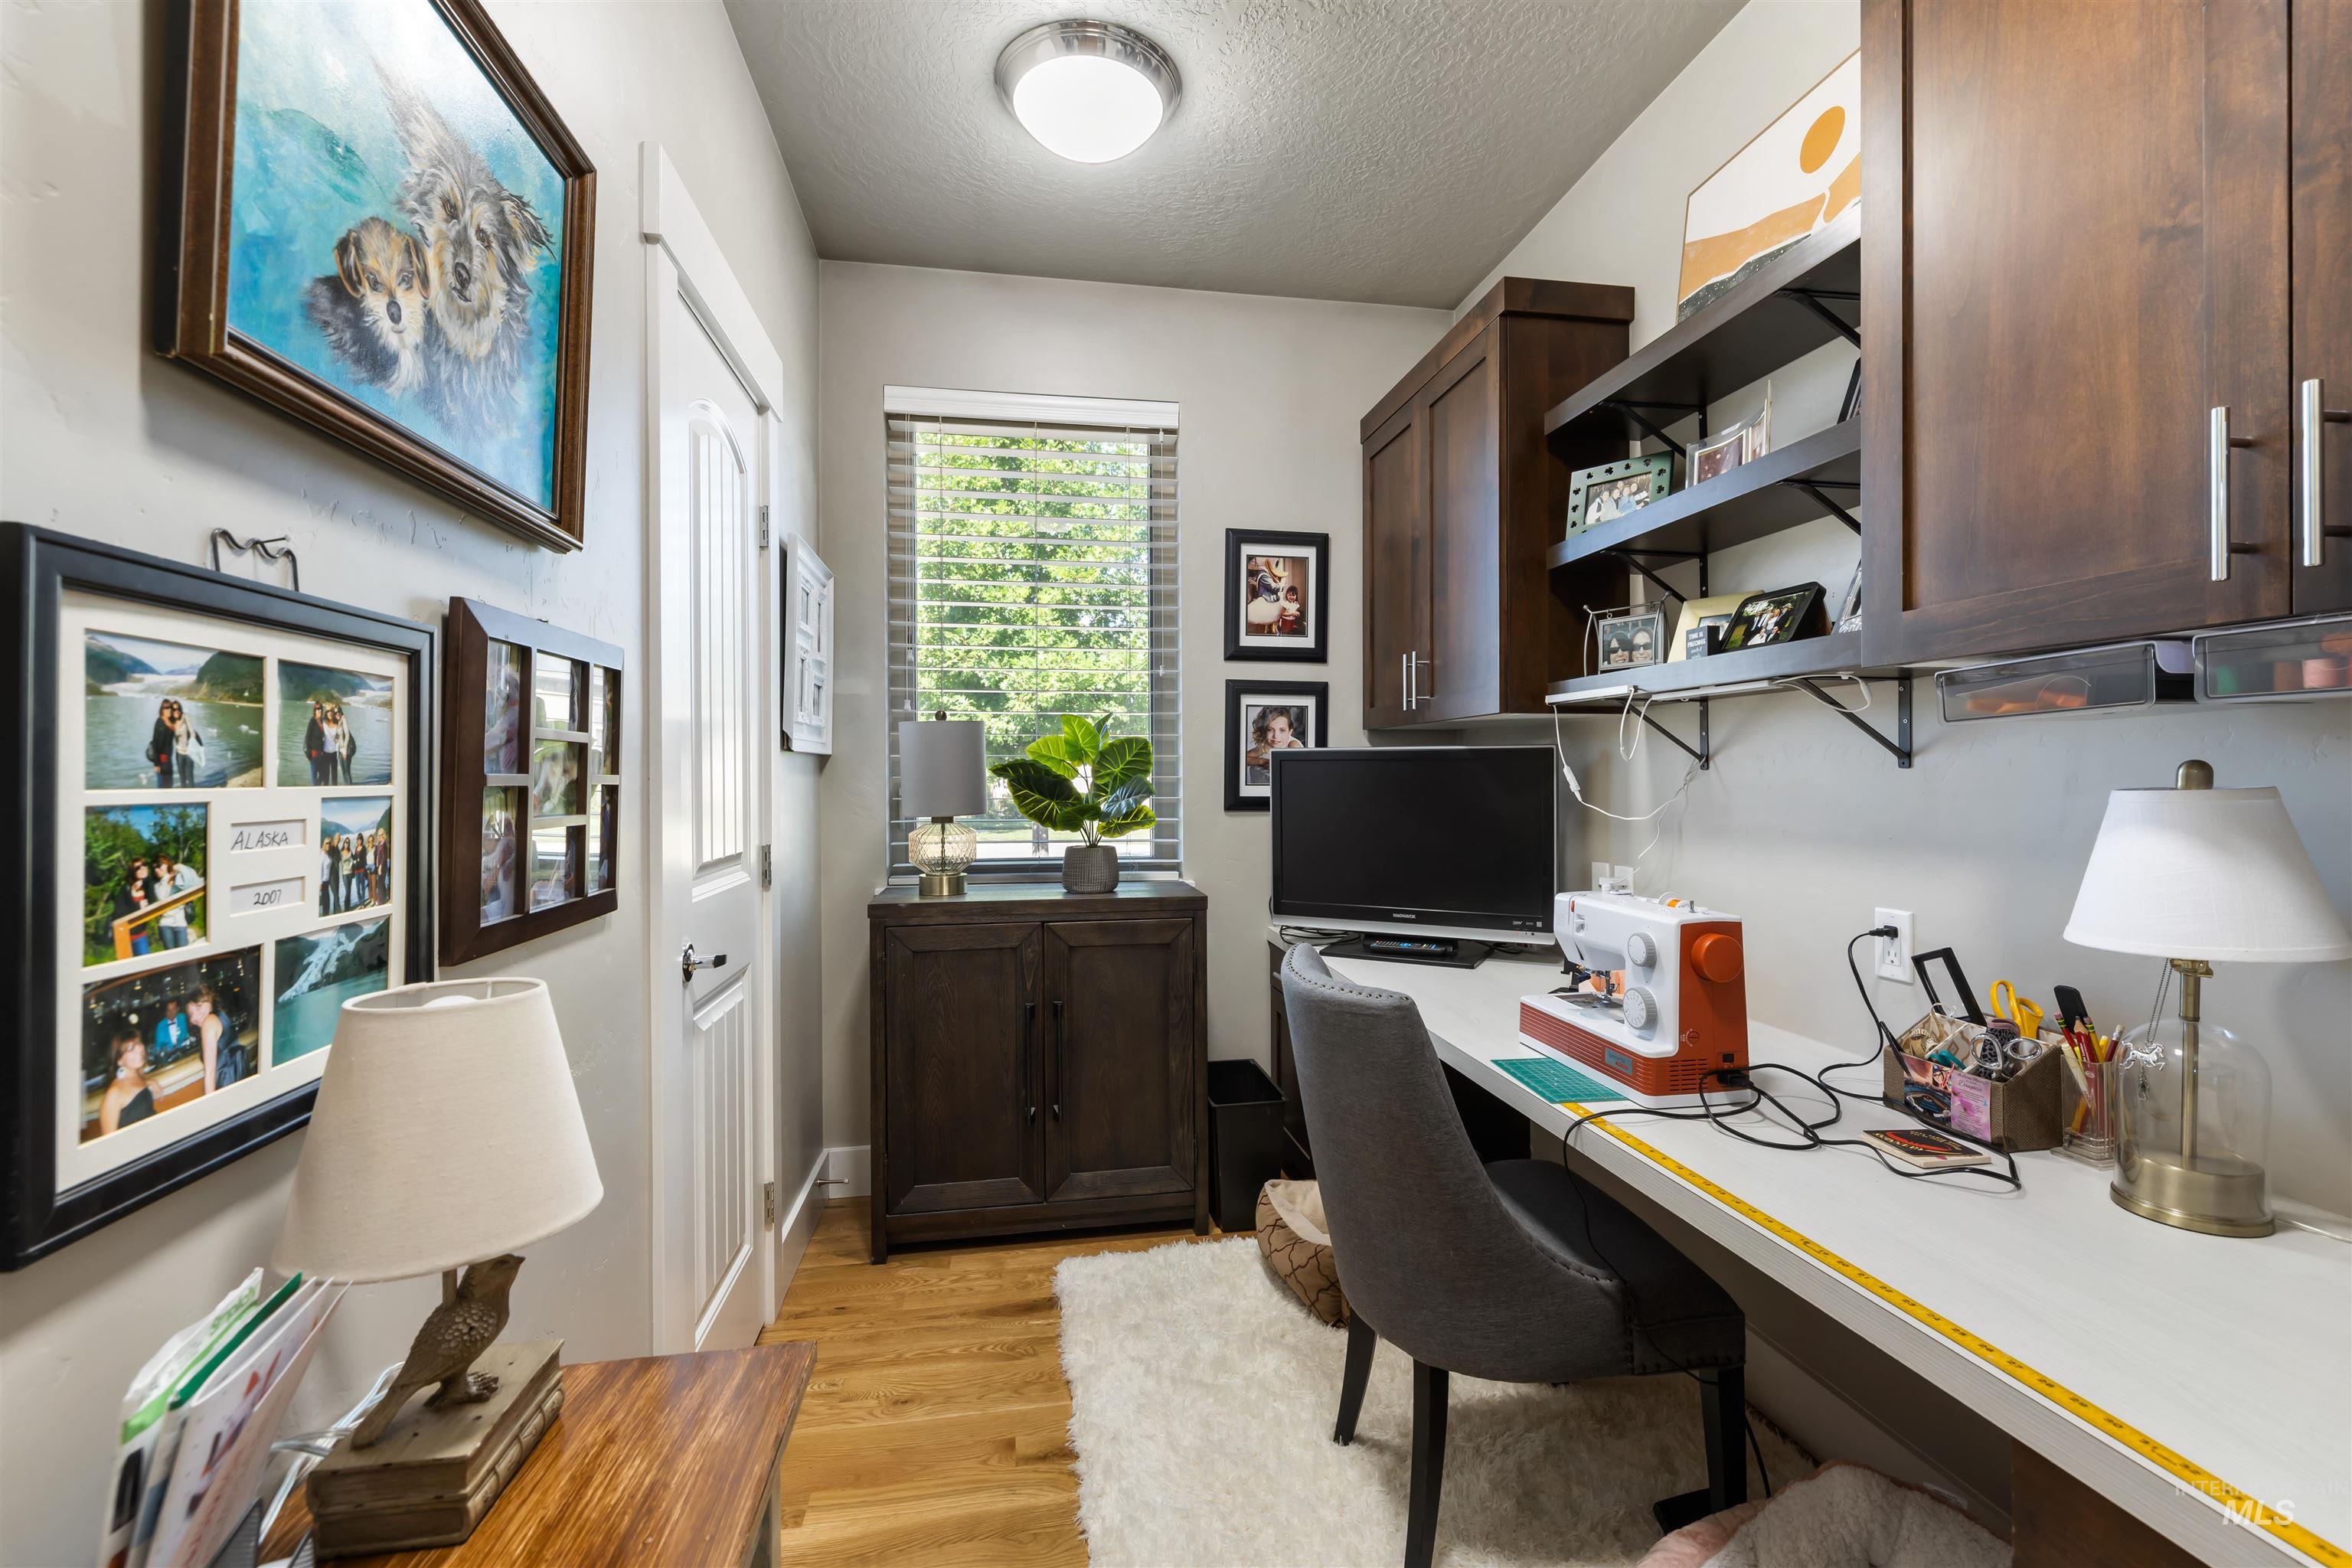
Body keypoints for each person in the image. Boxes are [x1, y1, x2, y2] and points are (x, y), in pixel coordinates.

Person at [95, 1027, 155, 1137]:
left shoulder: (139, 1077)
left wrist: (150, 1083)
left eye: (138, 1043)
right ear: (119, 1060)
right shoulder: (114, 1093)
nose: (138, 1050)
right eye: (130, 1049)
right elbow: (108, 1142)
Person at [152, 852, 201, 949]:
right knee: (170, 956)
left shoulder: (179, 878)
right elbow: (163, 899)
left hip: (180, 922)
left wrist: (181, 867)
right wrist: (167, 882)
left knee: (183, 955)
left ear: (167, 864)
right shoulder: (157, 886)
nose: (156, 870)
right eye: (154, 868)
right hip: (165, 924)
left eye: (158, 866)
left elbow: (195, 883)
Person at [188, 983, 231, 1093]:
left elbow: (210, 1073)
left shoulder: (209, 1022)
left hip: (226, 1084)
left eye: (198, 1007)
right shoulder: (221, 1015)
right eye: (190, 1014)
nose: (195, 1018)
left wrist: (211, 1107)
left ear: (209, 999)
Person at [111, 858, 154, 956]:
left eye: (144, 865)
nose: (143, 868)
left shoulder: (148, 886)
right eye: (138, 867)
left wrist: (147, 878)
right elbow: (119, 912)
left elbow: (152, 902)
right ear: (132, 872)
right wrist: (138, 905)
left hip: (140, 936)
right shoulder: (125, 889)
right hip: (124, 937)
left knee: (146, 967)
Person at [168, 702, 206, 787]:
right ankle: (184, 798)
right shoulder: (172, 722)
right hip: (179, 754)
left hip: (189, 753)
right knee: (182, 779)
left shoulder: (185, 718)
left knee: (190, 778)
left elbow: (193, 732)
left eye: (178, 709)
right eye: (174, 709)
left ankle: (193, 799)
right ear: (172, 711)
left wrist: (190, 746)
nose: (177, 711)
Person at [145, 701, 178, 789]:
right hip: (162, 759)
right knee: (162, 784)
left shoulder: (170, 722)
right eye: (166, 708)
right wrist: (157, 764)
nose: (169, 710)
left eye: (170, 708)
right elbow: (156, 743)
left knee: (168, 784)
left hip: (168, 758)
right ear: (162, 710)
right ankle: (161, 802)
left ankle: (166, 801)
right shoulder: (160, 722)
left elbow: (177, 725)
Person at [302, 700, 329, 786]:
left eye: (321, 709)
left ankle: (316, 788)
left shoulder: (323, 721)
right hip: (313, 754)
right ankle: (314, 793)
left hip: (321, 754)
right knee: (314, 776)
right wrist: (308, 754)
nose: (319, 711)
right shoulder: (312, 721)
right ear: (315, 711)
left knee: (323, 775)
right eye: (317, 709)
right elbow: (307, 737)